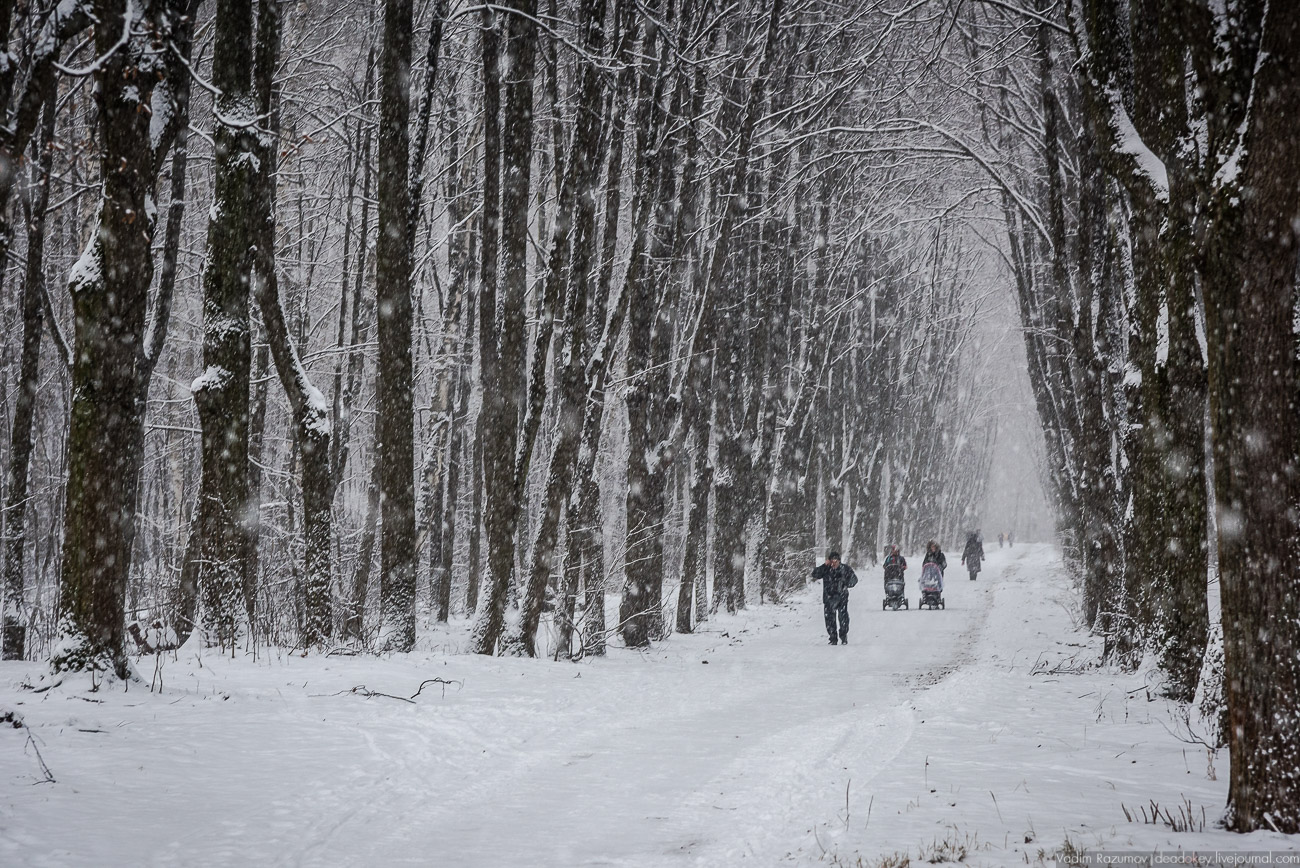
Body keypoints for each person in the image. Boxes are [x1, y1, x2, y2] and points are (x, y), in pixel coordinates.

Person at [810, 550, 858, 645]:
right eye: (832, 561)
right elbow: (815, 574)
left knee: (843, 618)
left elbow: (854, 580)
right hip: (829, 598)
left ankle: (843, 636)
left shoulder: (845, 569)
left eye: (836, 561)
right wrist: (825, 565)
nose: (834, 563)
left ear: (839, 561)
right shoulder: (826, 569)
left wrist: (845, 585)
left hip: (842, 597)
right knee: (829, 619)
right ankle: (833, 638)